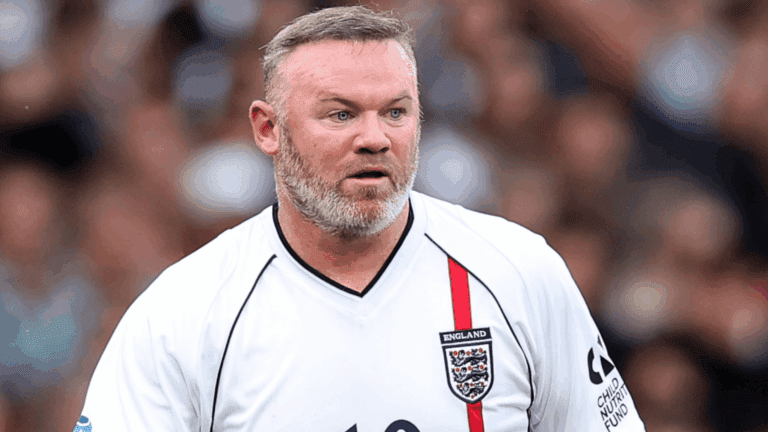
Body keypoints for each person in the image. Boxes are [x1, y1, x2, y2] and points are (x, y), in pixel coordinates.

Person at [75, 6, 646, 432]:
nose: (375, 138)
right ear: (268, 129)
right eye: (340, 114)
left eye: (395, 112)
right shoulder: (183, 313)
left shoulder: (519, 274)